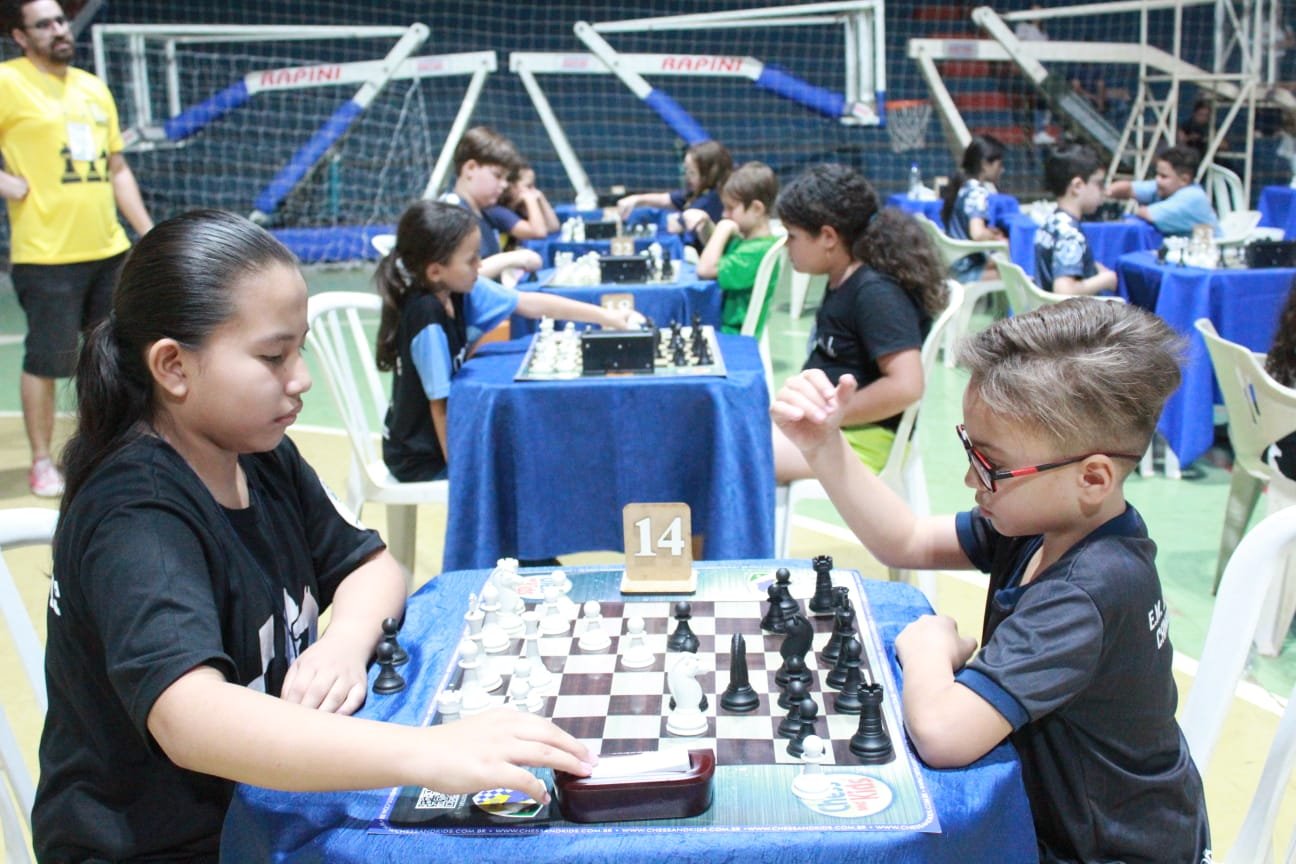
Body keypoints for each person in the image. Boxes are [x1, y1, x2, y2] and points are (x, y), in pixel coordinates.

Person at [33, 209, 594, 862]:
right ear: (173, 367)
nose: (300, 378)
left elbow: (373, 568)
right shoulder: (137, 515)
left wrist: (344, 644)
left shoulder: (256, 451)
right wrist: (428, 752)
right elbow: (188, 720)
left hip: (268, 809)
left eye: (298, 349)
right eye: (274, 356)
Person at [771, 299, 1210, 862]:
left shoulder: (1087, 589)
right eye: (969, 449)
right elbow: (905, 539)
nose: (969, 477)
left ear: (1093, 477)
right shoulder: (1048, 521)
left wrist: (927, 644)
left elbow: (943, 733)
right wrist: (824, 444)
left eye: (991, 464)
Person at [0, 0, 154, 497]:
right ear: (21, 37)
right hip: (46, 254)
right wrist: (6, 182)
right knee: (49, 360)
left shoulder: (92, 88)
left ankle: (107, 442)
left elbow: (117, 168)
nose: (59, 30)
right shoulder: (8, 82)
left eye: (61, 20)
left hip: (107, 249)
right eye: (43, 24)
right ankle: (44, 460)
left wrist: (147, 231)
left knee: (113, 353)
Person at [376, 199, 643, 483]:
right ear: (435, 271)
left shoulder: (458, 290)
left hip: (444, 439)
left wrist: (608, 317)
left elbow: (530, 303)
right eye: (471, 260)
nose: (481, 265)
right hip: (420, 459)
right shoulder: (426, 316)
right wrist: (462, 481)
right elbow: (439, 406)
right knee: (525, 468)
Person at [772, 163, 946, 483]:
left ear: (827, 237)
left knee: (733, 456)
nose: (786, 245)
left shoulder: (875, 293)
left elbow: (907, 385)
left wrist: (832, 416)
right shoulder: (841, 277)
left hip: (863, 439)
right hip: (836, 429)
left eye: (792, 236)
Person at [439, 125, 542, 282]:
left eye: (506, 179)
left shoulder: (486, 214)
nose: (504, 185)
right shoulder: (447, 213)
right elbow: (455, 276)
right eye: (497, 176)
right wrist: (514, 258)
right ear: (470, 168)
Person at [694, 160, 780, 335]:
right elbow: (714, 252)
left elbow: (705, 268)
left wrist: (722, 228)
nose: (725, 215)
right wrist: (705, 224)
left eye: (730, 208)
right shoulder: (745, 241)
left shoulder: (757, 251)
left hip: (733, 332)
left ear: (756, 208)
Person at [615, 139, 732, 251]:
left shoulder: (712, 199)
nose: (687, 176)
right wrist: (637, 199)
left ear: (708, 175)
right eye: (686, 170)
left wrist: (677, 219)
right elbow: (667, 199)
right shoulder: (700, 190)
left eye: (691, 172)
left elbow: (674, 226)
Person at [1034, 144, 1118, 295]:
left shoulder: (1050, 223)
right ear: (1077, 186)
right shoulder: (1070, 235)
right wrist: (1107, 279)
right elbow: (1065, 291)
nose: (1106, 191)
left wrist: (1093, 267)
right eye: (1099, 183)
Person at [1106, 145, 1221, 237]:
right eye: (1157, 174)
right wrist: (1106, 193)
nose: (1157, 180)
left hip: (1210, 257)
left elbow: (1147, 214)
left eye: (1163, 176)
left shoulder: (1193, 197)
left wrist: (1141, 209)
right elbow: (1128, 188)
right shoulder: (1164, 186)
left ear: (1184, 180)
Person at [940, 134, 1007, 283]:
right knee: (1013, 276)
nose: (1002, 170)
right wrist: (996, 237)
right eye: (999, 165)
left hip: (954, 264)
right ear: (985, 164)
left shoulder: (962, 185)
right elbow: (977, 233)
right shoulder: (977, 192)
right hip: (966, 269)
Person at [488, 160, 560, 249]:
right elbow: (539, 232)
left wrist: (541, 197)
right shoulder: (497, 211)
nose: (534, 191)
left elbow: (553, 227)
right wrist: (530, 199)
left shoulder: (520, 208)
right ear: (512, 187)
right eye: (528, 186)